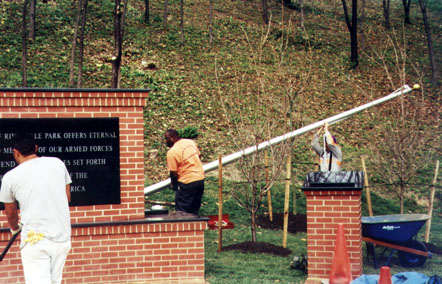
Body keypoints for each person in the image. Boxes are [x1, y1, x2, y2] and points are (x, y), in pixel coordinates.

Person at [0, 133, 72, 284]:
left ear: (15, 152)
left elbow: (11, 213)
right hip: (62, 238)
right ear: (36, 148)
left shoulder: (10, 177)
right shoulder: (57, 163)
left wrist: (14, 228)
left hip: (35, 240)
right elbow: (67, 197)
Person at [165, 129, 205, 215]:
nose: (166, 141)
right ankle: (194, 226)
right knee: (194, 210)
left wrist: (174, 185)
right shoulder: (190, 142)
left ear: (172, 138)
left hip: (186, 182)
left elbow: (174, 173)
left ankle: (184, 226)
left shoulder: (172, 152)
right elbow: (199, 156)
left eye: (167, 139)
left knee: (182, 211)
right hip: (200, 179)